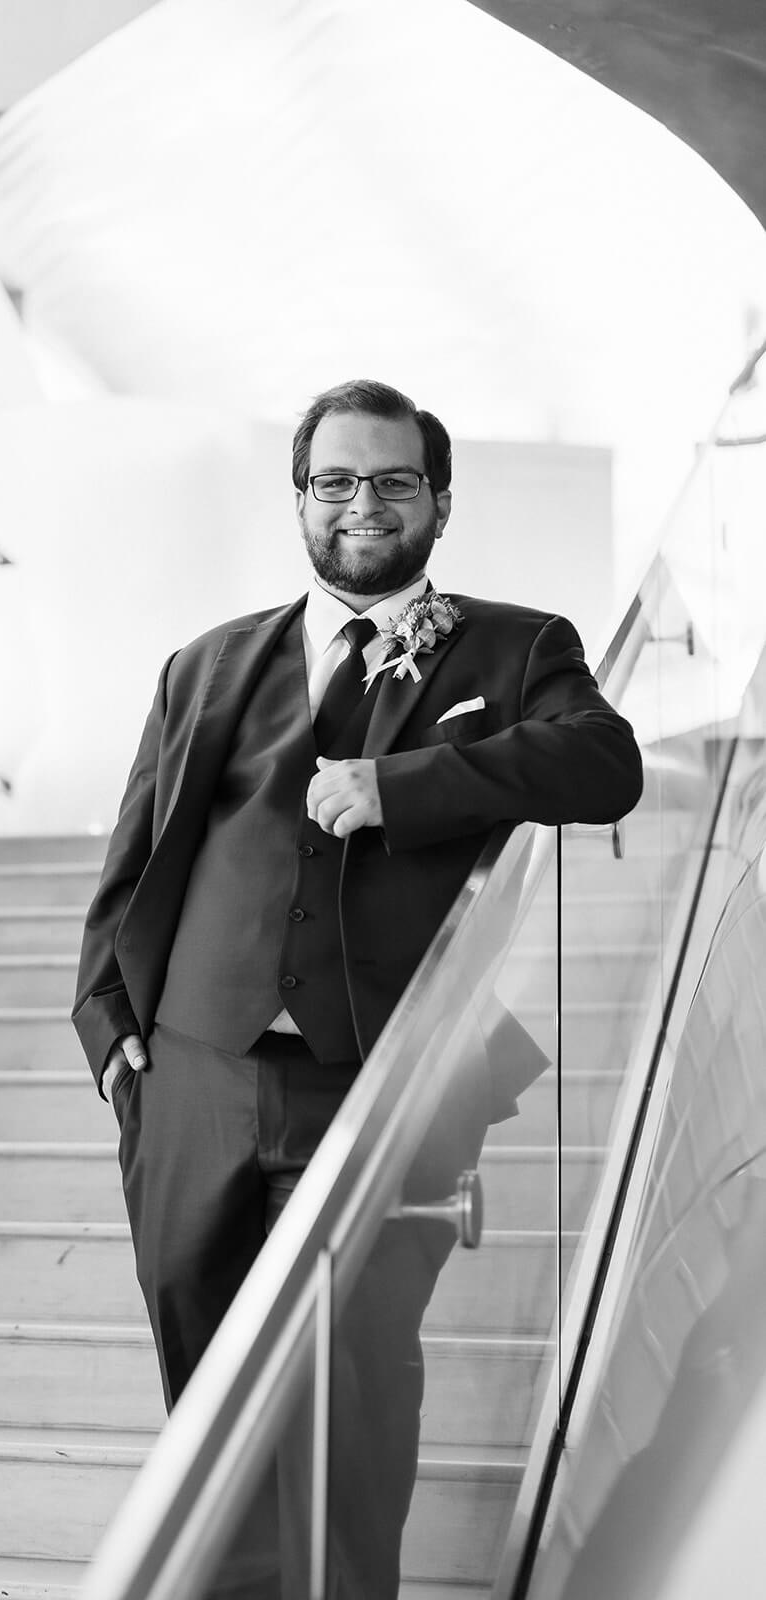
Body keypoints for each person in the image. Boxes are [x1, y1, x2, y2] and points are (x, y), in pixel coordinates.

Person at [73, 378, 644, 1596]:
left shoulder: (516, 646)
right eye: (334, 480)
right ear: (299, 498)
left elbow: (605, 766)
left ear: (437, 499)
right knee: (207, 1404)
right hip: (191, 1080)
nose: (362, 503)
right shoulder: (203, 665)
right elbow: (134, 862)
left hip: (385, 1086)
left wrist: (403, 786)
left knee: (353, 1388)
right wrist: (109, 1028)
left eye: (392, 480)